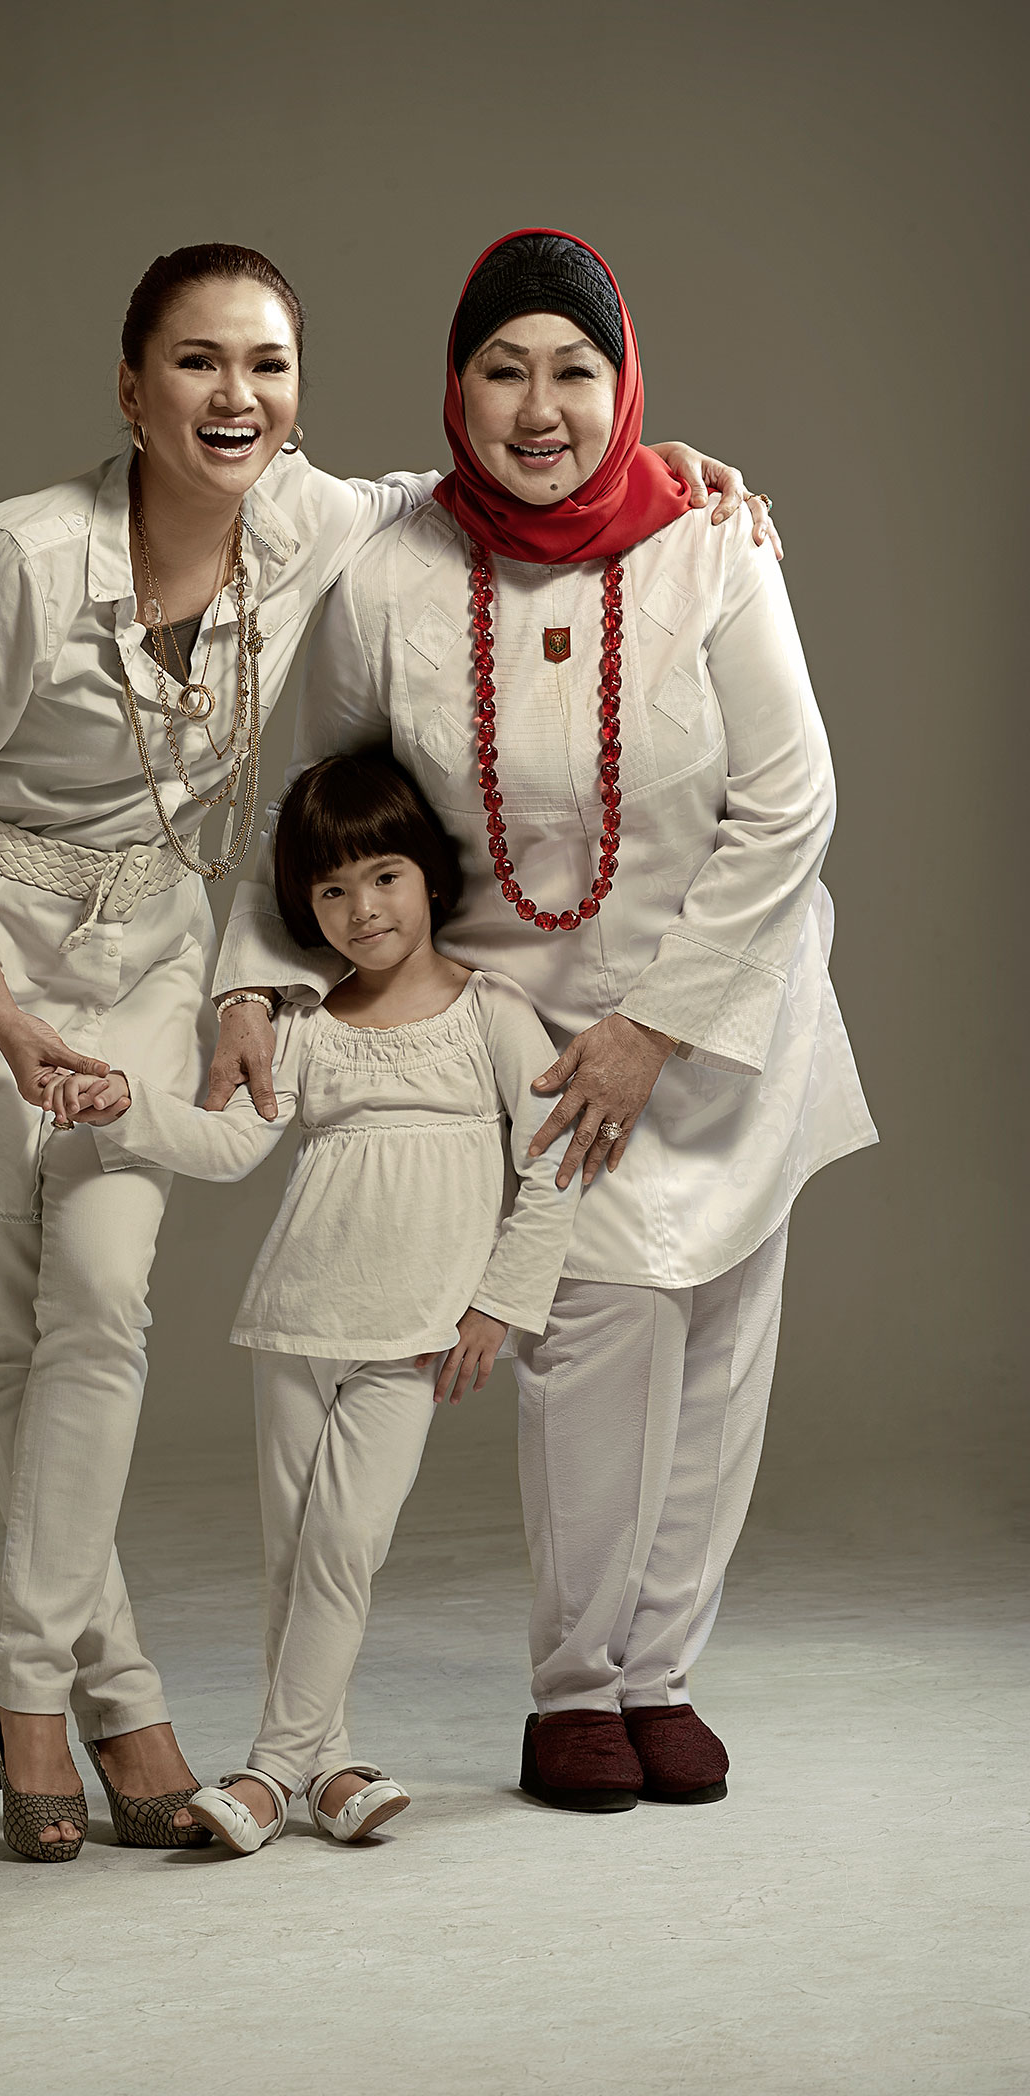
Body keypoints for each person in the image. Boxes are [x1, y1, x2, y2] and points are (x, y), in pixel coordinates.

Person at [0, 234, 774, 1859]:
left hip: (146, 965)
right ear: (131, 387)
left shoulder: (318, 518)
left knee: (100, 1304)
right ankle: (94, 1690)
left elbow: (488, 479)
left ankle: (41, 1670)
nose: (235, 394)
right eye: (196, 360)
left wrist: (650, 462)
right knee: (14, 1329)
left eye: (266, 364)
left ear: (299, 395)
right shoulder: (20, 558)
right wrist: (5, 1019)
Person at [209, 229, 877, 1814]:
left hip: (725, 1011)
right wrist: (254, 970)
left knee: (719, 1350)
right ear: (456, 389)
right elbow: (329, 807)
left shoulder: (713, 544)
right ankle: (577, 1687)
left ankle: (664, 1676)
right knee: (589, 1345)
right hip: (533, 1040)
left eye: (575, 371)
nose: (538, 407)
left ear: (624, 385)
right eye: (502, 370)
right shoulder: (393, 570)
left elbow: (791, 802)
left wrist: (661, 1027)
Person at [43, 752, 577, 1853]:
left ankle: (269, 1771)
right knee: (292, 1557)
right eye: (331, 891)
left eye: (383, 878)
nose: (361, 910)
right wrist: (126, 1103)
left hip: (412, 1336)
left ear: (429, 875)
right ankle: (328, 1767)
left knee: (342, 1545)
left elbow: (552, 1169)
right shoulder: (306, 1020)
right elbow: (229, 1144)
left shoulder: (491, 1012)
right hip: (294, 1321)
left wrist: (499, 1307)